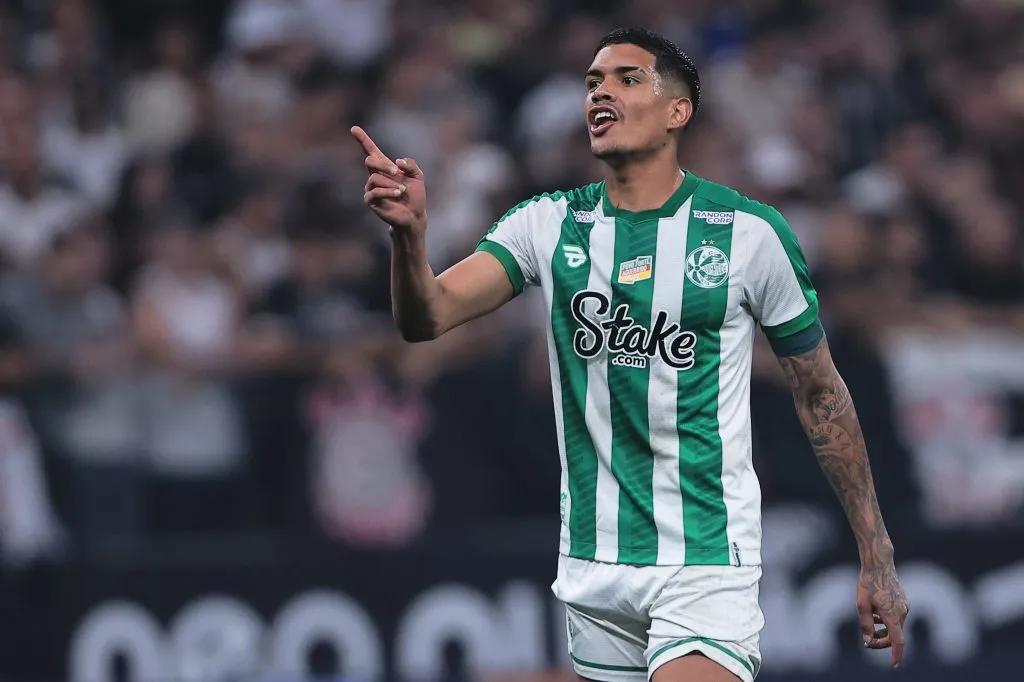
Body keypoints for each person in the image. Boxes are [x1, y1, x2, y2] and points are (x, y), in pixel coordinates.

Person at [352, 27, 909, 682]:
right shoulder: (546, 224)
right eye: (592, 83)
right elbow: (429, 317)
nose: (600, 94)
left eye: (626, 79)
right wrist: (409, 241)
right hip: (594, 566)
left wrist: (876, 553)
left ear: (678, 112)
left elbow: (821, 393)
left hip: (704, 558)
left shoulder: (748, 236)